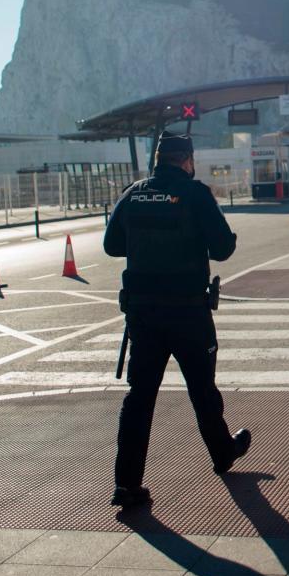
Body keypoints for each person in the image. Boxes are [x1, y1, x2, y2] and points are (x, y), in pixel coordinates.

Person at [103, 131, 251, 509]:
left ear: (157, 159)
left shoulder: (133, 193)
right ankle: (222, 453)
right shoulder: (195, 194)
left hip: (144, 314)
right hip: (187, 311)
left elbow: (111, 245)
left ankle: (126, 483)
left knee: (139, 398)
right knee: (202, 389)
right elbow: (223, 248)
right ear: (186, 160)